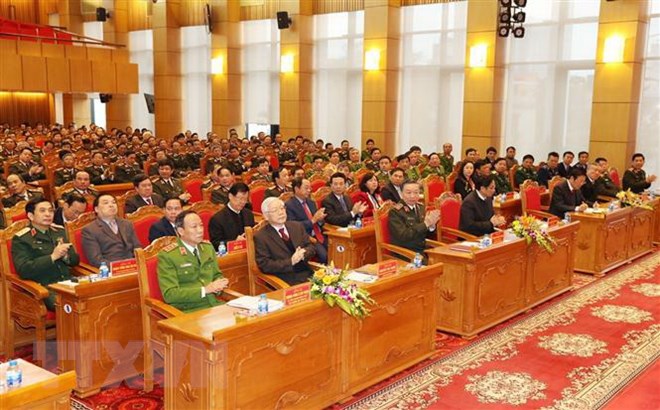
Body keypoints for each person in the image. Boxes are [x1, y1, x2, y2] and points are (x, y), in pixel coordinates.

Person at [11, 198, 80, 310]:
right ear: (31, 216)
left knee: (94, 298)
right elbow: (24, 270)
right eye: (42, 211)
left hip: (67, 283)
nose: (48, 214)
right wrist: (52, 257)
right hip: (45, 288)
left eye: (50, 210)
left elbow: (75, 261)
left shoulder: (59, 231)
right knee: (73, 307)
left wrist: (66, 256)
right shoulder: (22, 238)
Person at [157, 210, 229, 313]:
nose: (200, 230)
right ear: (181, 231)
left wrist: (220, 283)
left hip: (214, 304)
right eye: (194, 227)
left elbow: (217, 275)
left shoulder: (208, 248)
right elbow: (170, 294)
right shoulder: (168, 255)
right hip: (189, 310)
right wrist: (205, 290)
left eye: (201, 225)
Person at [255, 197, 317, 285]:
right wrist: (291, 261)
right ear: (266, 216)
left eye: (282, 208)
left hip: (307, 274)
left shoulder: (297, 226)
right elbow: (265, 265)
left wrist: (303, 253)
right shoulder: (261, 236)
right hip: (284, 280)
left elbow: (311, 247)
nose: (281, 212)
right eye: (275, 210)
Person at [81, 194, 143, 267]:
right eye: (106, 203)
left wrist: (137, 263)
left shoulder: (126, 224)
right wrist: (118, 266)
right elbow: (96, 260)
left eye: (113, 202)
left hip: (134, 265)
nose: (111, 205)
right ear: (96, 209)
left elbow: (137, 247)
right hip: (111, 269)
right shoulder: (90, 230)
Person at [388, 181, 440, 259]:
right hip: (406, 252)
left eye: (416, 192)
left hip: (422, 248)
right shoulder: (395, 212)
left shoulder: (421, 207)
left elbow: (425, 233)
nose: (412, 196)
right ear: (401, 194)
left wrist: (431, 226)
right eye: (408, 193)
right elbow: (403, 236)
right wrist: (426, 224)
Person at [285, 177, 328, 263]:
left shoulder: (311, 202)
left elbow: (319, 221)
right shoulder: (289, 205)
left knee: (337, 249)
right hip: (307, 237)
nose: (309, 190)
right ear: (297, 189)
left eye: (310, 187)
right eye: (306, 188)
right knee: (324, 256)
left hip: (320, 234)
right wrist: (312, 221)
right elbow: (293, 227)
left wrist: (320, 219)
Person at [209, 182, 255, 248]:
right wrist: (234, 242)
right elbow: (215, 243)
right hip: (230, 252)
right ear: (230, 196)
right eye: (240, 198)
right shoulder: (217, 219)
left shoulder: (248, 214)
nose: (243, 202)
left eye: (245, 199)